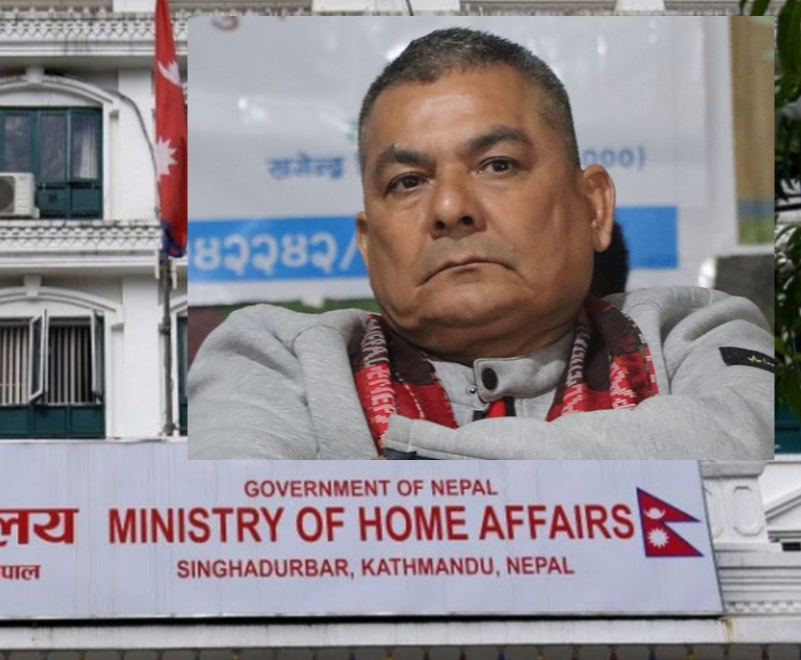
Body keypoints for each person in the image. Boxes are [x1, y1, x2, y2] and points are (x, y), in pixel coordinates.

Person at [188, 27, 772, 460]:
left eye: (497, 165)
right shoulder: (279, 356)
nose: (450, 209)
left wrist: (410, 463)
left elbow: (739, 448)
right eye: (408, 182)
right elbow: (243, 532)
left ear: (593, 206)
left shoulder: (687, 337)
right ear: (367, 244)